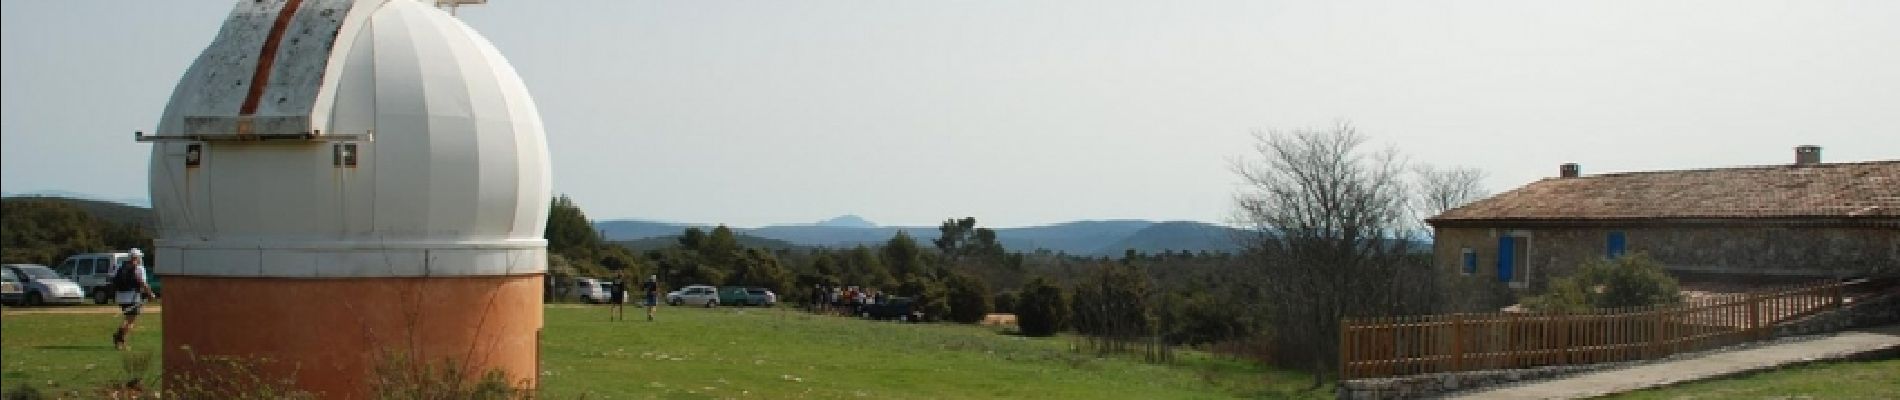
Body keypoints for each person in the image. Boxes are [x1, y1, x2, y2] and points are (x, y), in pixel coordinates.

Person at [109, 248, 157, 350]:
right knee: (130, 321)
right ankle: (119, 339)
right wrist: (150, 294)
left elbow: (112, 278)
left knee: (127, 319)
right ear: (137, 257)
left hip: (121, 297)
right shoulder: (139, 268)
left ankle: (121, 341)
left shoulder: (119, 266)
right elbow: (143, 283)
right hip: (133, 297)